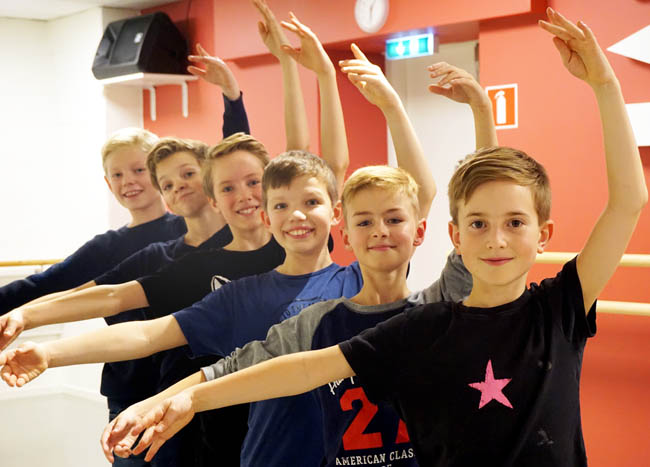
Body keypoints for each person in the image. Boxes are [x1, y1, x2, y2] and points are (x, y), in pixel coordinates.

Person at [103, 9, 646, 467]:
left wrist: (605, 85)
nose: (496, 239)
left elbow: (627, 202)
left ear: (543, 234)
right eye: (479, 224)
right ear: (455, 236)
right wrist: (192, 399)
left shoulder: (559, 308)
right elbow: (307, 367)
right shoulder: (424, 325)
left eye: (515, 224)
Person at [102, 56, 498, 467]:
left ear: (419, 231)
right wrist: (155, 403)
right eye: (365, 222)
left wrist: (479, 110)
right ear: (346, 232)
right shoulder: (318, 322)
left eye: (394, 220)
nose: (380, 231)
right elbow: (230, 369)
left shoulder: (438, 308)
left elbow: (488, 203)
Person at [0, 127, 187, 316]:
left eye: (139, 170)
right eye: (117, 175)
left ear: (159, 173)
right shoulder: (105, 247)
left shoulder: (189, 228)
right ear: (109, 183)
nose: (128, 181)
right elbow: (42, 285)